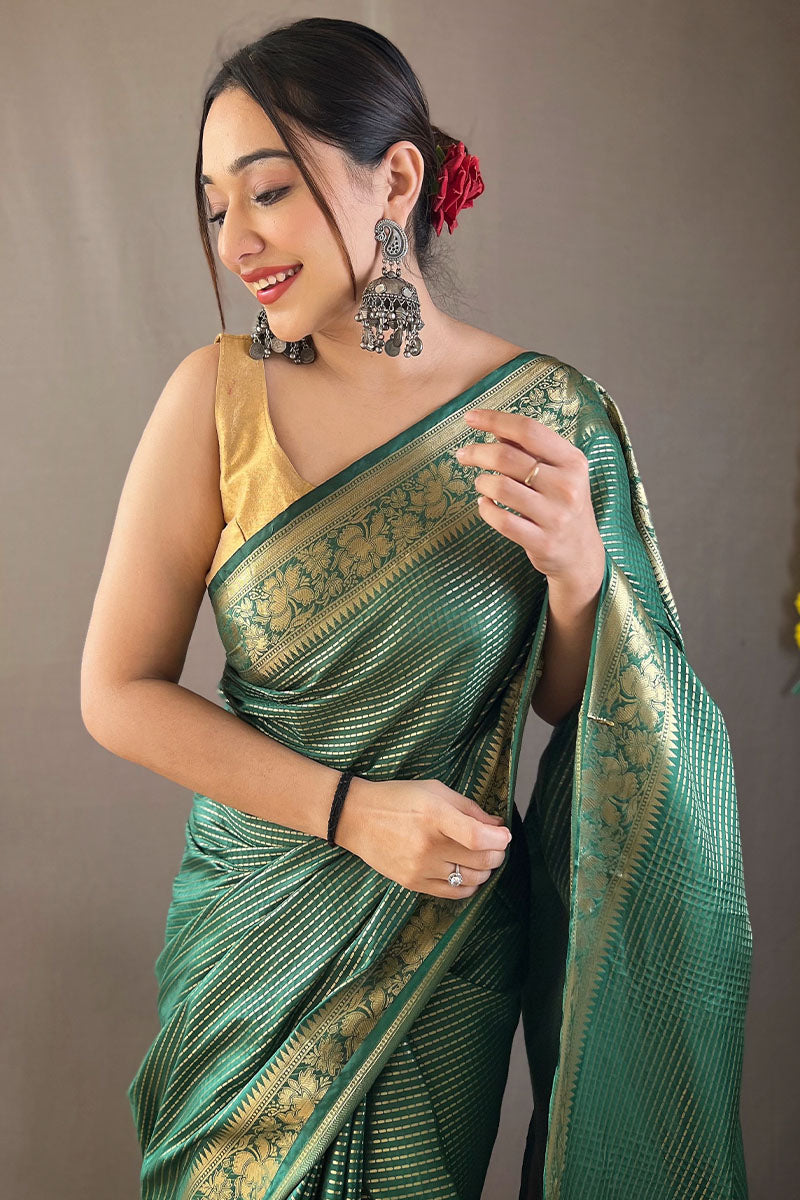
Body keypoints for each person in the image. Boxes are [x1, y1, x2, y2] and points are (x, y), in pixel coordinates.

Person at [80, 16, 752, 1200]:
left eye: (267, 193)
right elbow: (115, 694)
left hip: (437, 944)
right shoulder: (215, 400)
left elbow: (571, 708)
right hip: (250, 935)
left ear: (394, 180)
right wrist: (349, 814)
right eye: (214, 208)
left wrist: (578, 577)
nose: (235, 242)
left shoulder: (545, 414)